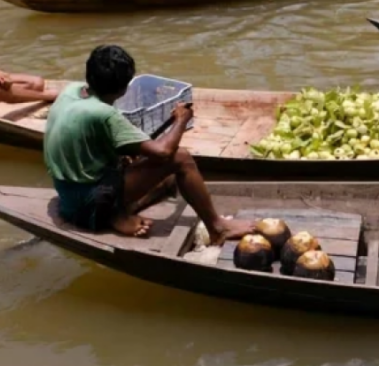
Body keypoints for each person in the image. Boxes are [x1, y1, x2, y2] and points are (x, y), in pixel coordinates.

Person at [44, 45, 256, 242]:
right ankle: (218, 228)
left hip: (67, 195)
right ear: (124, 88)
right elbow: (163, 152)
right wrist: (181, 119)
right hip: (88, 204)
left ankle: (119, 213)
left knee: (165, 178)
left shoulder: (71, 90)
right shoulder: (104, 113)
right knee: (180, 158)